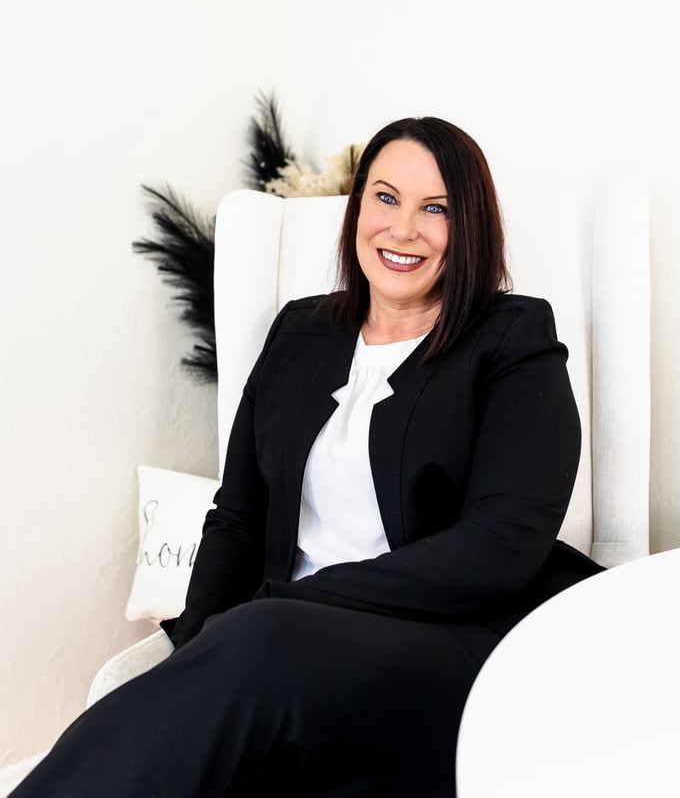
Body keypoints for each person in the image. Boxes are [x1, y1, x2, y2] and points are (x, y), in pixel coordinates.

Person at [13, 117, 603, 798]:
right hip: (285, 650)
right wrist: (202, 638)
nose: (403, 227)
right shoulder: (299, 330)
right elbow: (237, 516)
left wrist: (290, 603)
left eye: (434, 208)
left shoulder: (513, 339)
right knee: (230, 689)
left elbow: (496, 550)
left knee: (264, 644)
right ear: (357, 211)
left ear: (468, 228)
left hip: (450, 641)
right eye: (385, 198)